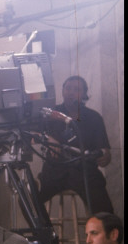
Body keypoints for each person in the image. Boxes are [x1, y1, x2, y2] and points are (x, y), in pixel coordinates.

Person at [38, 75, 113, 214]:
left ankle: (99, 234)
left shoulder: (94, 117)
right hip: (54, 171)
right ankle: (47, 233)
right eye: (68, 88)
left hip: (84, 172)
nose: (71, 92)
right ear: (62, 91)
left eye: (76, 89)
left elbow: (105, 152)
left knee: (105, 211)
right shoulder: (50, 113)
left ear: (84, 94)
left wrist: (105, 157)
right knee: (29, 200)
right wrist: (49, 138)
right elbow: (31, 134)